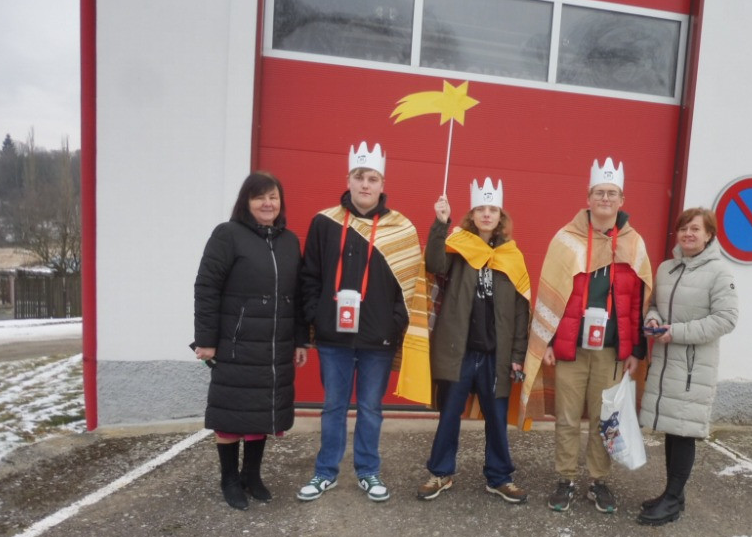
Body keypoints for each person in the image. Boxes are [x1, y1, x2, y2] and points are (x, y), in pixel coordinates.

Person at [518, 158, 653, 513]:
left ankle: (598, 480)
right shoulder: (566, 240)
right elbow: (551, 294)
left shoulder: (634, 244)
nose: (605, 198)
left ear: (622, 200)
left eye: (612, 193)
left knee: (603, 418)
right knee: (566, 418)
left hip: (611, 351)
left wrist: (636, 350)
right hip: (571, 348)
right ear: (588, 197)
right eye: (599, 192)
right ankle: (565, 479)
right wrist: (547, 341)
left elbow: (638, 302)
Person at [297, 142, 422, 503]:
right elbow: (309, 276)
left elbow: (410, 286)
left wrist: (392, 324)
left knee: (370, 409)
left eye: (372, 178)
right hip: (333, 336)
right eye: (359, 177)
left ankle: (368, 471)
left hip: (376, 340)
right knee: (333, 407)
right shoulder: (325, 222)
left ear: (382, 184)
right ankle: (325, 472)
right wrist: (317, 317)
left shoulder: (400, 228)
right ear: (348, 180)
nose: (365, 184)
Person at [193, 171, 308, 510]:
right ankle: (229, 479)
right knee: (230, 414)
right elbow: (206, 288)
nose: (267, 203)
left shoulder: (290, 241)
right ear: (246, 201)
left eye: (273, 197)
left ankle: (252, 476)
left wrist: (301, 340)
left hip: (275, 346)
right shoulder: (227, 235)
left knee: (262, 411)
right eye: (260, 197)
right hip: (236, 343)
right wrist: (206, 340)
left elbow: (299, 296)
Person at [418, 179, 532, 504]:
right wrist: (440, 224)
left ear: (500, 215)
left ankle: (499, 477)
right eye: (480, 208)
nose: (486, 214)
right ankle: (440, 472)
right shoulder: (459, 247)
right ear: (472, 214)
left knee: (496, 418)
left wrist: (517, 354)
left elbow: (521, 311)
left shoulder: (512, 256)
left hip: (496, 354)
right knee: (449, 414)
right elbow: (434, 263)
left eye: (492, 209)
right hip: (461, 351)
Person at [637, 207, 738, 526]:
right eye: (683, 228)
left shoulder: (719, 272)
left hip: (694, 368)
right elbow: (654, 305)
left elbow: (726, 319)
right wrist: (654, 321)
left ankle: (672, 500)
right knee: (673, 427)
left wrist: (676, 332)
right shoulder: (666, 268)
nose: (688, 234)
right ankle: (673, 494)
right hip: (667, 363)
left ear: (709, 235)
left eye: (696, 229)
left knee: (684, 432)